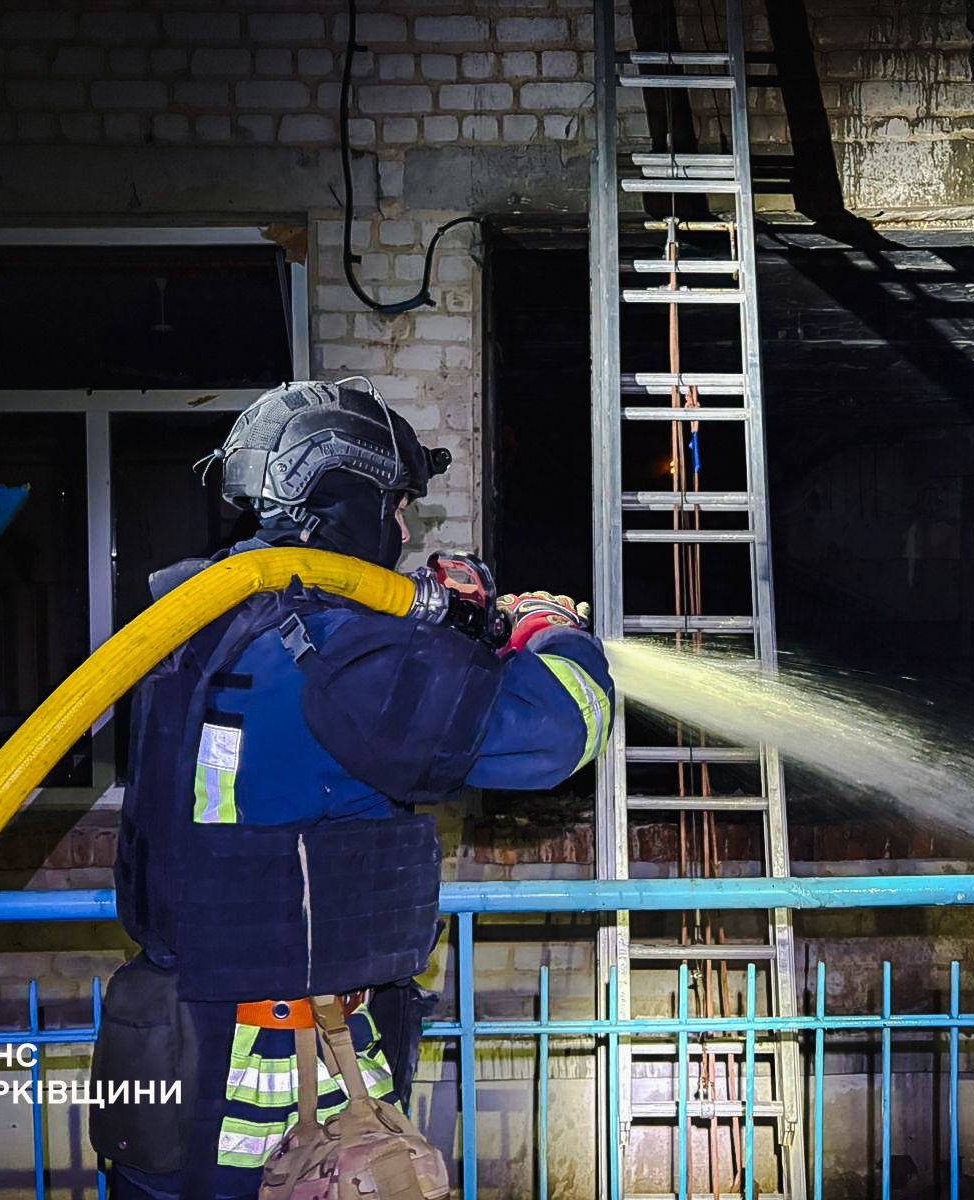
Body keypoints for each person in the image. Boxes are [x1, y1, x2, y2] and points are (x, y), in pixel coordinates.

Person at [91, 379, 613, 1200]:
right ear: (346, 501)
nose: (403, 532)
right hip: (279, 1095)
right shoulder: (336, 653)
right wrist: (552, 631)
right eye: (398, 506)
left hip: (164, 1055)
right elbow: (552, 735)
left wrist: (445, 631)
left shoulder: (205, 621)